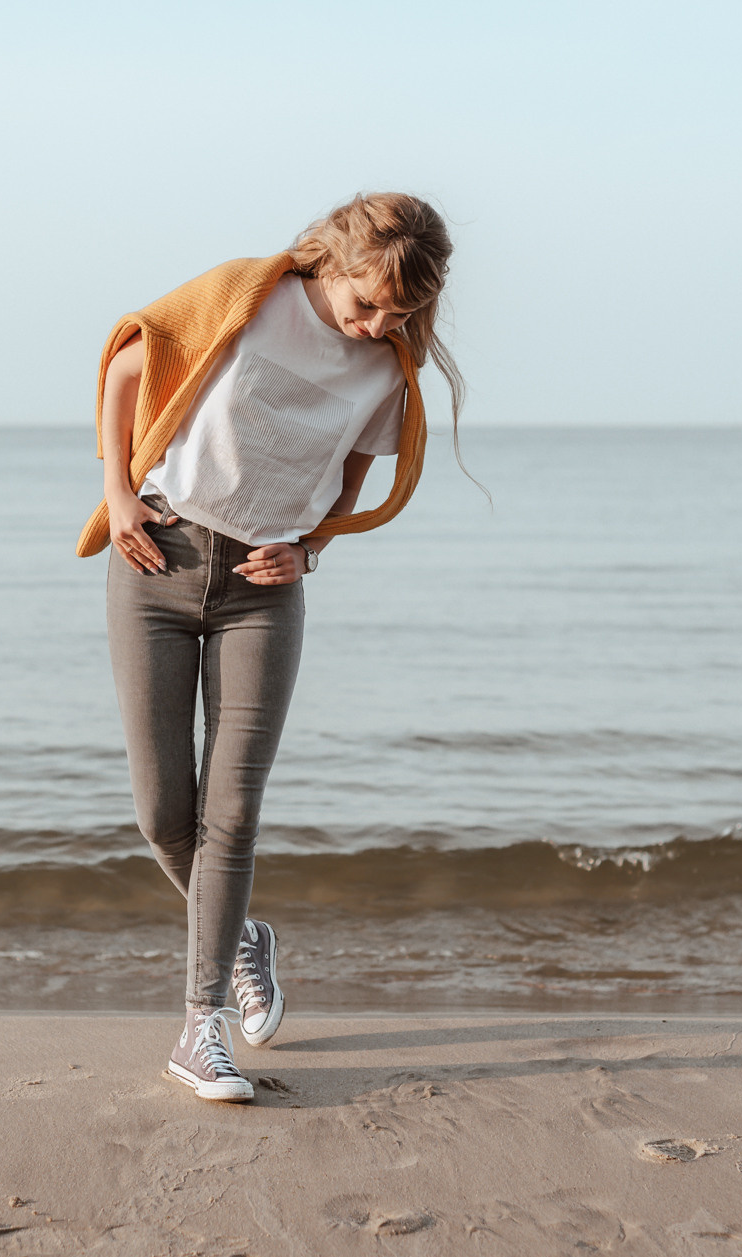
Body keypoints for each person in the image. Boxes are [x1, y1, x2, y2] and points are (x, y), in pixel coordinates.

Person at [79, 192, 462, 1102]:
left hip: (263, 589)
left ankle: (200, 1028)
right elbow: (132, 359)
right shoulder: (248, 297)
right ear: (332, 261)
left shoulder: (388, 373)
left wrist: (312, 546)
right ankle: (243, 936)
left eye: (400, 315)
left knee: (234, 809)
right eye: (367, 304)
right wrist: (120, 490)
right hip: (157, 558)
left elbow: (349, 480)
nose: (377, 326)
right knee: (162, 811)